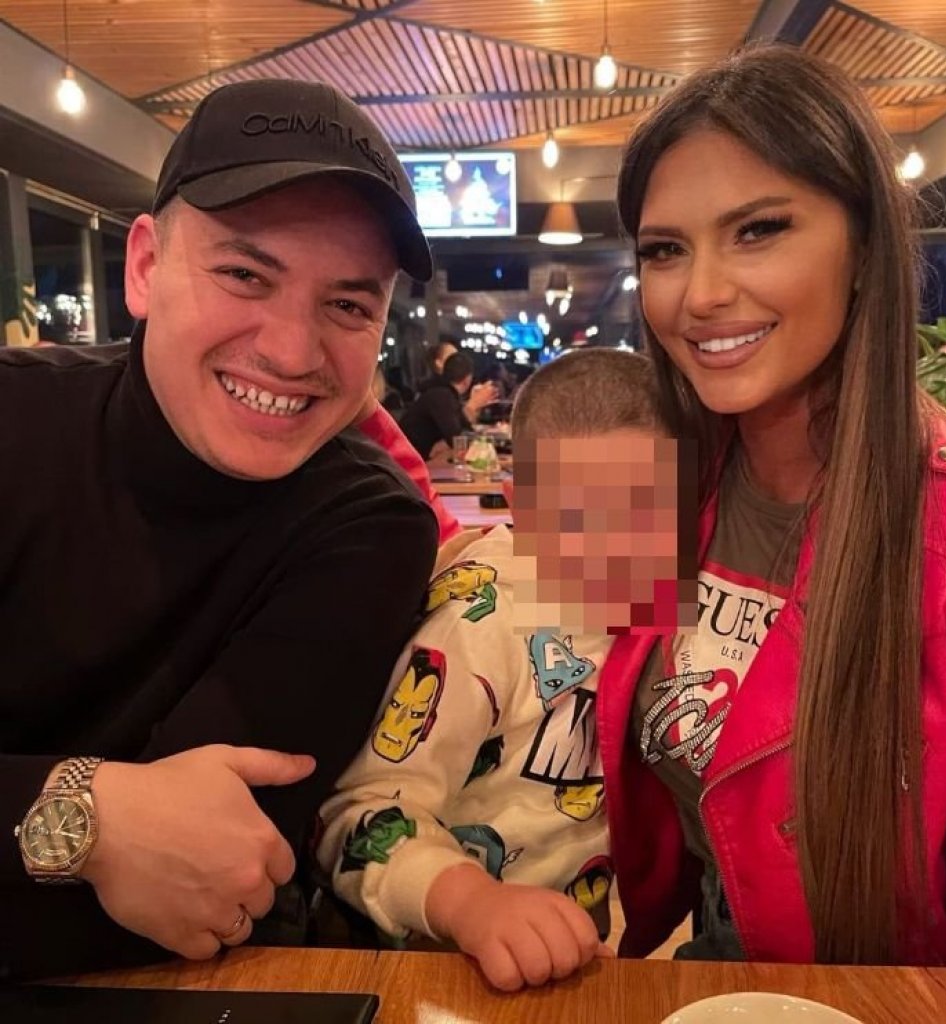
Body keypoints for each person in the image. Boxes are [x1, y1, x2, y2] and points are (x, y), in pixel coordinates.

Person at [2, 78, 444, 980]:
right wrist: (89, 818)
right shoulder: (14, 421)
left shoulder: (369, 526)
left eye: (348, 305)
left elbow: (204, 881)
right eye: (245, 275)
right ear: (143, 268)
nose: (290, 352)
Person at [600, 44, 946, 967]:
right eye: (664, 250)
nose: (701, 293)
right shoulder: (664, 484)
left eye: (758, 230)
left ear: (861, 249)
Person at [315, 349, 686, 991]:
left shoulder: (674, 605)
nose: (620, 555)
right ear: (522, 506)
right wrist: (471, 904)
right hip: (434, 965)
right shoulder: (478, 626)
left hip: (573, 958)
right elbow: (355, 815)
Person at [400, 350, 476, 459]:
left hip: (414, 456)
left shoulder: (443, 392)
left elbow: (465, 429)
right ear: (467, 379)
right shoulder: (442, 395)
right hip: (407, 459)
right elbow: (456, 438)